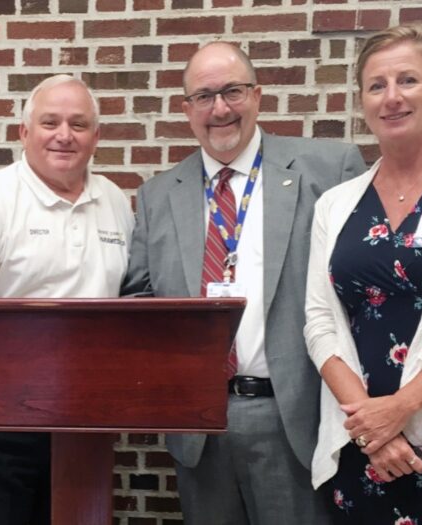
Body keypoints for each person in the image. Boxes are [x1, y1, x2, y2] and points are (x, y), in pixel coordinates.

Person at [121, 42, 365, 524]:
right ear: (186, 108)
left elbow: (358, 293)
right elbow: (140, 304)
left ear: (257, 95)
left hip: (293, 417)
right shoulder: (157, 196)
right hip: (199, 424)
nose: (220, 109)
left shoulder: (329, 170)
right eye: (205, 96)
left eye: (232, 91)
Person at [304, 21, 422, 524]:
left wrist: (399, 410)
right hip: (363, 446)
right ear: (363, 101)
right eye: (377, 85)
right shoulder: (335, 205)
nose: (392, 97)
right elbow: (319, 324)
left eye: (407, 80)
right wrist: (373, 428)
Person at [0, 74, 134, 525]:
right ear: (24, 133)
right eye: (50, 122)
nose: (64, 135)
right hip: (1, 420)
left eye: (78, 124)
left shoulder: (114, 202)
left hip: (86, 420)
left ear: (96, 136)